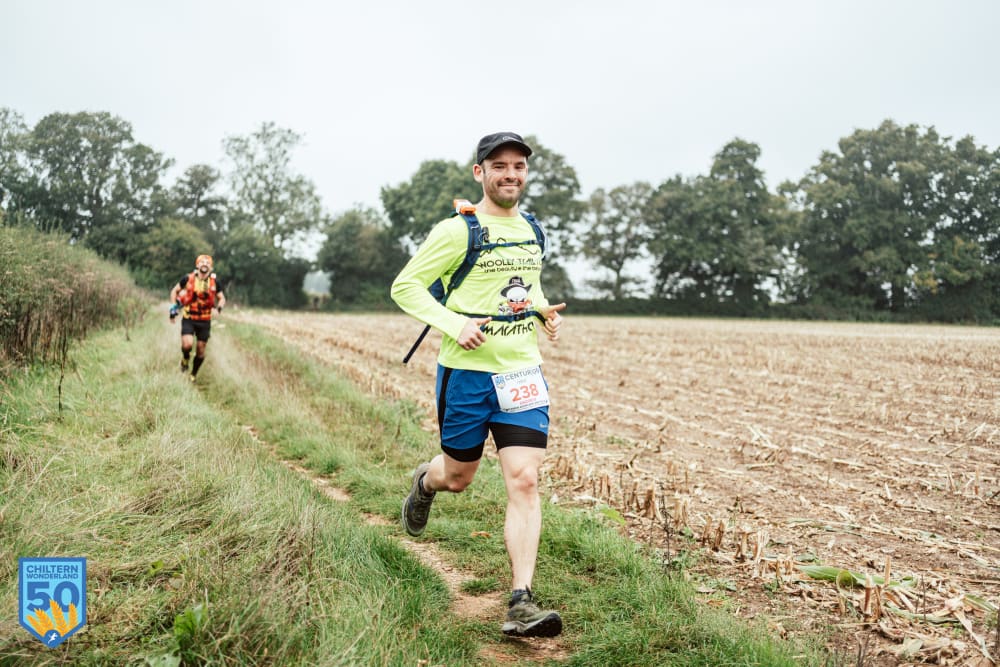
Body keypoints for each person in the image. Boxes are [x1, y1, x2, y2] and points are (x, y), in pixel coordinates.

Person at [390, 132, 567, 638]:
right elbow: (405, 286)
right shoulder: (455, 231)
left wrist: (542, 312)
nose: (511, 174)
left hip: (521, 372)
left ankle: (521, 601)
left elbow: (527, 287)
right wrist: (454, 323)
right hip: (466, 376)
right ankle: (426, 482)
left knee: (525, 479)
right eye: (500, 166)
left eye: (519, 166)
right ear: (480, 172)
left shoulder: (533, 230)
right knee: (458, 477)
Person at [169, 254, 225, 382]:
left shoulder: (215, 282)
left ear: (211, 267)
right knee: (187, 344)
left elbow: (221, 298)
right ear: (197, 265)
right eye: (202, 262)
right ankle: (185, 359)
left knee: (200, 350)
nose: (205, 264)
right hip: (189, 317)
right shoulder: (187, 278)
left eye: (208, 263)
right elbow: (174, 291)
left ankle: (193, 374)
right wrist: (173, 308)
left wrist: (219, 308)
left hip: (205, 320)